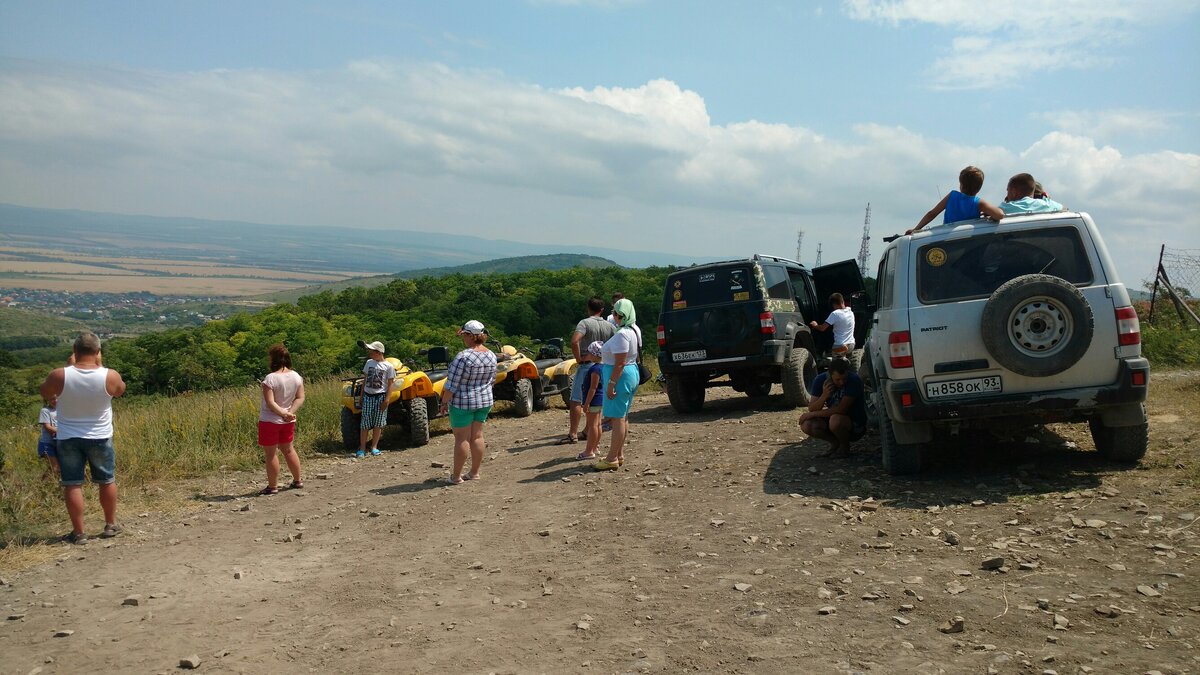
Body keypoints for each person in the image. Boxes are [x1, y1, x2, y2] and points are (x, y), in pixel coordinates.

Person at [39, 332, 126, 544]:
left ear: (75, 352)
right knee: (106, 480)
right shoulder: (110, 375)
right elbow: (120, 391)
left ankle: (78, 533)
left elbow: (44, 392)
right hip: (100, 436)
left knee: (72, 484)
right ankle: (110, 524)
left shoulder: (60, 375)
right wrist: (101, 365)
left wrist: (69, 367)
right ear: (97, 352)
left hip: (67, 436)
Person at [439, 320, 498, 484]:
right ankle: (474, 472)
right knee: (478, 436)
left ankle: (456, 477)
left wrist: (444, 402)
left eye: (464, 335)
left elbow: (451, 384)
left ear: (471, 336)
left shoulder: (463, 357)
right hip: (484, 401)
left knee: (461, 439)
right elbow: (493, 379)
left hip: (463, 402)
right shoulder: (491, 355)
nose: (463, 338)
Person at [559, 296, 616, 445]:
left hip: (587, 364)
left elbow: (574, 341)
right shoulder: (610, 326)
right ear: (602, 310)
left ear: (588, 308)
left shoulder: (584, 323)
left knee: (576, 399)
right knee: (597, 398)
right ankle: (587, 430)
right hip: (604, 366)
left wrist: (578, 359)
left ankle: (573, 433)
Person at [594, 298, 640, 471]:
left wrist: (611, 384)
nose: (614, 316)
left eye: (617, 314)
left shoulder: (622, 334)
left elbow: (619, 363)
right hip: (630, 372)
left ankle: (612, 457)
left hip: (620, 376)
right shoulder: (634, 329)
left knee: (617, 418)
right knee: (623, 415)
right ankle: (618, 454)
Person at [258, 343, 305, 495]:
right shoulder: (296, 376)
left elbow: (270, 403)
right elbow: (300, 397)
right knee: (289, 449)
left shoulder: (270, 379)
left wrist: (283, 414)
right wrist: (289, 413)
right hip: (288, 421)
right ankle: (297, 480)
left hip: (269, 421)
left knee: (271, 453)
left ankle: (273, 486)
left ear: (273, 359)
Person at [799, 358, 868, 458]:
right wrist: (824, 396)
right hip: (833, 421)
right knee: (807, 424)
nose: (841, 382)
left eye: (844, 379)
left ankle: (845, 448)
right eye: (837, 380)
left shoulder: (854, 380)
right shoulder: (820, 380)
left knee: (835, 420)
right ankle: (835, 443)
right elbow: (812, 408)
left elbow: (841, 409)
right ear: (830, 376)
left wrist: (812, 414)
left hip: (854, 425)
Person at [909, 166, 1004, 234]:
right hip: (968, 237)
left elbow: (932, 214)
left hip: (946, 235)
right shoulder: (979, 203)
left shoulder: (952, 196)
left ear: (961, 185)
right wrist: (990, 213)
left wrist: (916, 229)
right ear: (979, 188)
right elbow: (999, 215)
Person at [357, 339, 395, 458]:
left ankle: (374, 447)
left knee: (378, 423)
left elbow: (390, 384)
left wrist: (387, 400)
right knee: (365, 423)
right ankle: (362, 448)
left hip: (380, 396)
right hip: (368, 396)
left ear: (378, 352)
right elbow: (365, 380)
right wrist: (361, 396)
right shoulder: (369, 363)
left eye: (372, 351)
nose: (370, 353)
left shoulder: (388, 366)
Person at [575, 341, 606, 461]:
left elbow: (592, 388)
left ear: (593, 354)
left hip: (593, 400)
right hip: (600, 399)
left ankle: (589, 451)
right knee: (597, 424)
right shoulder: (603, 367)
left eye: (589, 352)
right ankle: (595, 447)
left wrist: (586, 403)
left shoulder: (595, 369)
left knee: (592, 425)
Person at [1000, 173, 1065, 215]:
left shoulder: (1005, 208)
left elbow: (995, 213)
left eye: (1008, 190)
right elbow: (1064, 209)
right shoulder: (1047, 204)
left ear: (1014, 192)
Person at [37, 395, 60, 477]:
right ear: (48, 400)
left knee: (54, 468)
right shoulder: (45, 410)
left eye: (57, 398)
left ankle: (42, 484)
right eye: (52, 398)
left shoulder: (62, 410)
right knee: (55, 468)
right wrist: (65, 432)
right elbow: (48, 427)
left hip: (58, 443)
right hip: (47, 443)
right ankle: (45, 485)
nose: (56, 400)